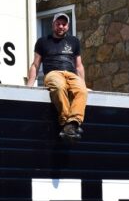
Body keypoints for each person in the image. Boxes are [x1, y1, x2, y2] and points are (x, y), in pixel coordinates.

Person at [26, 13, 87, 141]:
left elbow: (79, 65)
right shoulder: (42, 42)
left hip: (71, 74)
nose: (61, 26)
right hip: (53, 73)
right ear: (53, 24)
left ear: (67, 26)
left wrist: (84, 83)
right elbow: (35, 65)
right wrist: (29, 86)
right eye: (58, 23)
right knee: (59, 87)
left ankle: (73, 123)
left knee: (82, 91)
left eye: (63, 24)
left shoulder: (74, 41)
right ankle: (66, 122)